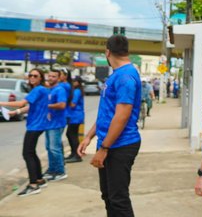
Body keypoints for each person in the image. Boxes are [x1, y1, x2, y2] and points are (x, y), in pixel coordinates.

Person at [78, 35, 142, 216]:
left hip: (121, 145)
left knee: (118, 199)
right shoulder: (117, 75)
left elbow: (121, 116)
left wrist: (104, 148)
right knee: (108, 196)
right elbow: (108, 114)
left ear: (107, 52)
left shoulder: (125, 77)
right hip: (110, 143)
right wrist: (89, 136)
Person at [0, 68, 50, 196]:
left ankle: (33, 185)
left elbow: (21, 103)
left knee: (27, 154)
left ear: (40, 78)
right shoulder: (41, 90)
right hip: (38, 125)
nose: (32, 77)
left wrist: (1, 103)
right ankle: (39, 179)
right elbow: (29, 107)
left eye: (35, 76)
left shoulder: (39, 89)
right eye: (30, 75)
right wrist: (14, 113)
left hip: (35, 126)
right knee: (31, 153)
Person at [43, 68, 67, 181]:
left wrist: (47, 106)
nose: (51, 78)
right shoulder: (49, 90)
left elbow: (62, 105)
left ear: (58, 78)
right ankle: (52, 170)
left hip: (57, 123)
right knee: (49, 147)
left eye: (54, 76)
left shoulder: (60, 89)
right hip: (48, 123)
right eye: (50, 76)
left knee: (54, 148)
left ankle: (60, 171)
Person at [65, 77, 85, 163]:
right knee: (71, 134)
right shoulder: (77, 90)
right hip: (75, 116)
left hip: (75, 116)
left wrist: (64, 102)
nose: (73, 83)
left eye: (75, 81)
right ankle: (73, 153)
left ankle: (76, 155)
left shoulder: (77, 91)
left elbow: (73, 104)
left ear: (78, 82)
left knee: (71, 135)